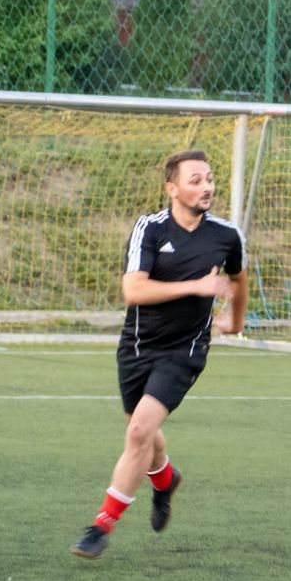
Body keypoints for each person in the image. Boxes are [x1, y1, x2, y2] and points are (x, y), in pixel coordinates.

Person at [71, 149, 247, 558]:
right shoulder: (149, 228)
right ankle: (165, 480)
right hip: (137, 346)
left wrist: (235, 321)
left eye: (209, 179)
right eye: (195, 180)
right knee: (143, 432)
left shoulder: (226, 235)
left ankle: (101, 527)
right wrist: (196, 286)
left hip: (185, 350)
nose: (207, 187)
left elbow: (239, 279)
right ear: (172, 188)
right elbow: (133, 290)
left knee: (137, 433)